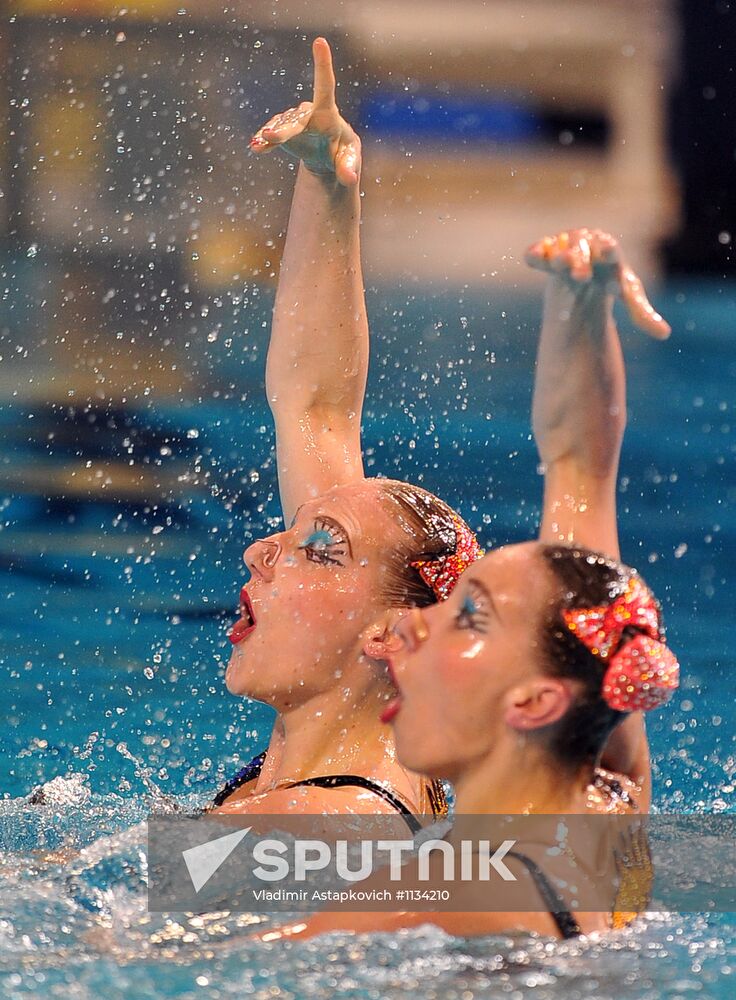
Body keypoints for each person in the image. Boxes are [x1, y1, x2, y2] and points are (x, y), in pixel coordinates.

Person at [212, 38, 670, 825]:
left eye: (320, 548)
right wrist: (328, 180)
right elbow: (317, 404)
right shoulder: (381, 787)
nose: (263, 547)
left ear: (393, 635)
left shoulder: (324, 826)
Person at [258, 542, 679, 942]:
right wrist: (579, 476)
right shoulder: (611, 825)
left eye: (468, 615)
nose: (411, 622)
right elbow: (594, 658)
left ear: (535, 702)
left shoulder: (440, 893)